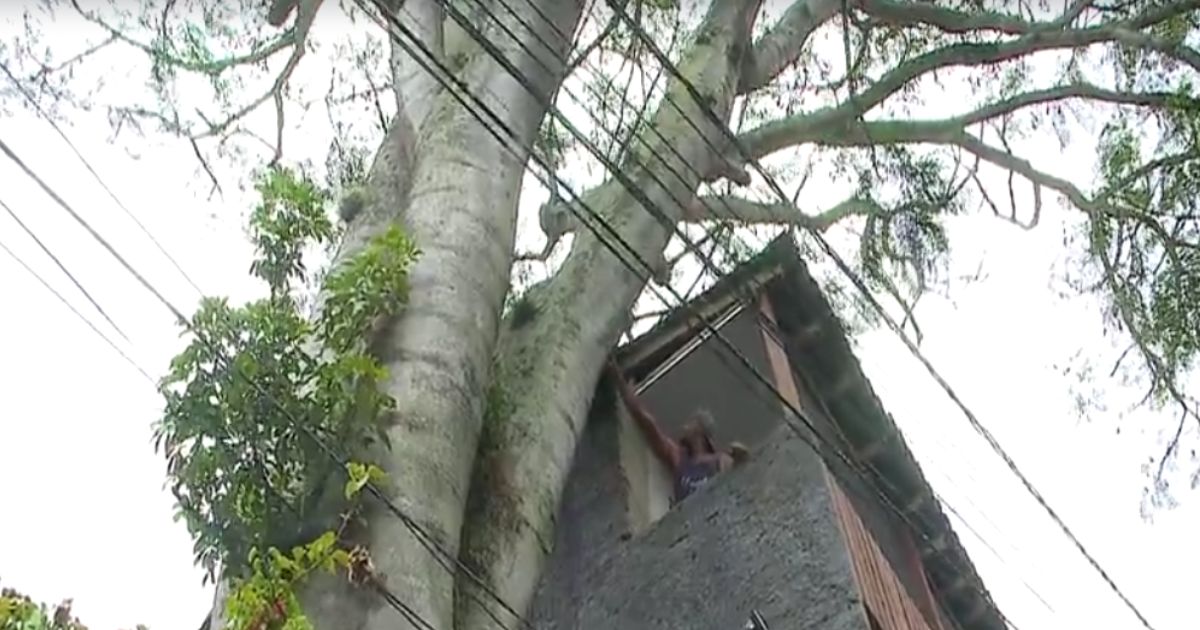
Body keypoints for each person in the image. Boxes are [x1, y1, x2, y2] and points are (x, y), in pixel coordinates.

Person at [607, 358, 743, 504]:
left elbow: (738, 483)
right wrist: (620, 382)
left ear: (700, 429)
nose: (684, 427)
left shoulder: (720, 461)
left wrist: (740, 457)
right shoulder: (680, 458)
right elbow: (648, 424)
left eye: (690, 422)